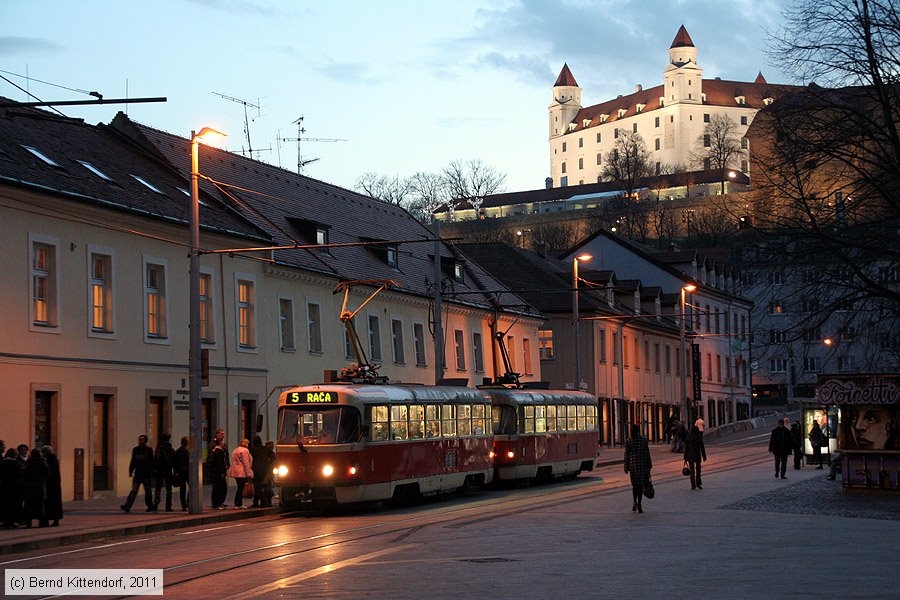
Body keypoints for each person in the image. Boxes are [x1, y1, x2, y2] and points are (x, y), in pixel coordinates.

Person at [121, 434, 154, 513]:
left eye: (142, 440)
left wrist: (152, 472)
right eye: (140, 440)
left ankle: (150, 506)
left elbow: (152, 462)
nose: (140, 441)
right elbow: (133, 460)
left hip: (146, 474)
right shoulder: (135, 449)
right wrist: (130, 470)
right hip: (138, 473)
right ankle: (127, 506)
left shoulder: (149, 450)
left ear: (145, 441)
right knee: (134, 490)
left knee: (148, 491)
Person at [623, 424, 652, 514]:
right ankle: (639, 503)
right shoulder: (643, 440)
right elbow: (647, 454)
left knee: (634, 485)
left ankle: (634, 501)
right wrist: (649, 465)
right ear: (638, 431)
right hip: (642, 466)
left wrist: (626, 467)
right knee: (640, 486)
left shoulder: (628, 441)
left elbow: (626, 455)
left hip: (633, 466)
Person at [23, 447, 50, 527]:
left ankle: (29, 523)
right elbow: (48, 475)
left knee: (29, 505)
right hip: (40, 486)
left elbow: (25, 474)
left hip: (30, 487)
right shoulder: (43, 463)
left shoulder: (29, 463)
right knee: (40, 505)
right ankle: (41, 522)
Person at [250, 436, 275, 508]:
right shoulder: (266, 449)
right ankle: (264, 502)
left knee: (257, 487)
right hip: (265, 470)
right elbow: (273, 458)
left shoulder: (252, 450)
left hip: (255, 470)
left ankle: (259, 502)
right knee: (265, 487)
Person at [153, 433, 175, 511]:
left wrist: (155, 468)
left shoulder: (159, 448)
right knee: (169, 489)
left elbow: (156, 459)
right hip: (168, 470)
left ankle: (156, 504)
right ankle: (168, 506)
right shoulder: (170, 448)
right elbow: (173, 459)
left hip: (160, 470)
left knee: (158, 488)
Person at [0, 448, 22, 529]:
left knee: (5, 504)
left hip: (4, 486)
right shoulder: (16, 463)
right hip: (14, 486)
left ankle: (6, 521)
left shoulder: (2, 462)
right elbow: (19, 474)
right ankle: (12, 521)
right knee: (14, 504)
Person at [41, 446, 62, 527]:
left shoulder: (47, 461)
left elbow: (48, 472)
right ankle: (56, 520)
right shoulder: (55, 459)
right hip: (56, 484)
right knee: (55, 503)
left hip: (49, 484)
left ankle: (47, 519)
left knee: (48, 503)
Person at [230, 438, 253, 509]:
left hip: (236, 472)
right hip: (242, 472)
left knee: (239, 487)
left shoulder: (235, 450)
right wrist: (249, 474)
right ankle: (238, 503)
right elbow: (246, 463)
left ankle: (237, 503)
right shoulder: (245, 451)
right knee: (241, 488)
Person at [683, 425, 707, 490]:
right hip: (697, 455)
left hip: (690, 456)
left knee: (692, 471)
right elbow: (702, 448)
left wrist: (685, 458)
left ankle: (693, 484)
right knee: (698, 470)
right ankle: (698, 483)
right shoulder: (699, 438)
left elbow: (686, 449)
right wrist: (704, 456)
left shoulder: (688, 438)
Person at [208, 440, 229, 509]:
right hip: (218, 473)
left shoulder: (216, 450)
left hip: (217, 472)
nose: (224, 443)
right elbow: (219, 462)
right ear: (220, 443)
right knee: (220, 488)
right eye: (222, 442)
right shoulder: (218, 451)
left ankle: (219, 503)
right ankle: (216, 504)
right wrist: (223, 471)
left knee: (219, 488)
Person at [173, 436, 191, 511]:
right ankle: (187, 502)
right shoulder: (188, 451)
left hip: (181, 471)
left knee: (182, 489)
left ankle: (184, 504)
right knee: (191, 487)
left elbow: (175, 462)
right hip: (186, 471)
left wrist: (176, 472)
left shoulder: (178, 451)